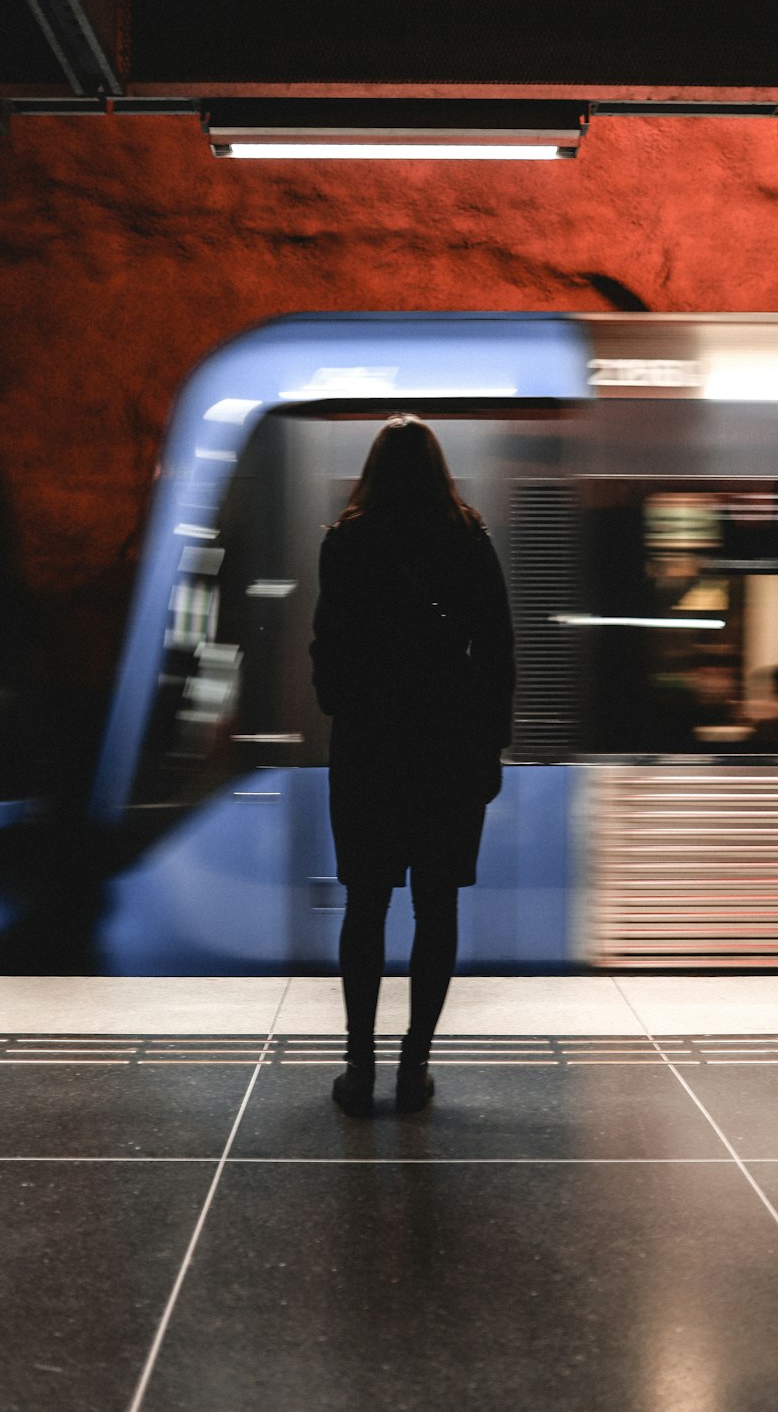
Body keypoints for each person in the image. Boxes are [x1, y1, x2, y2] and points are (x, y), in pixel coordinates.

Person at [310, 415, 515, 1116]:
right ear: (439, 468)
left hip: (369, 744)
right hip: (448, 746)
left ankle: (359, 1068)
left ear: (372, 468)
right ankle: (414, 1065)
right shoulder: (468, 537)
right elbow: (497, 649)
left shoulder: (347, 541)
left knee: (366, 904)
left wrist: (343, 701)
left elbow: (326, 646)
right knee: (438, 904)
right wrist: (490, 744)